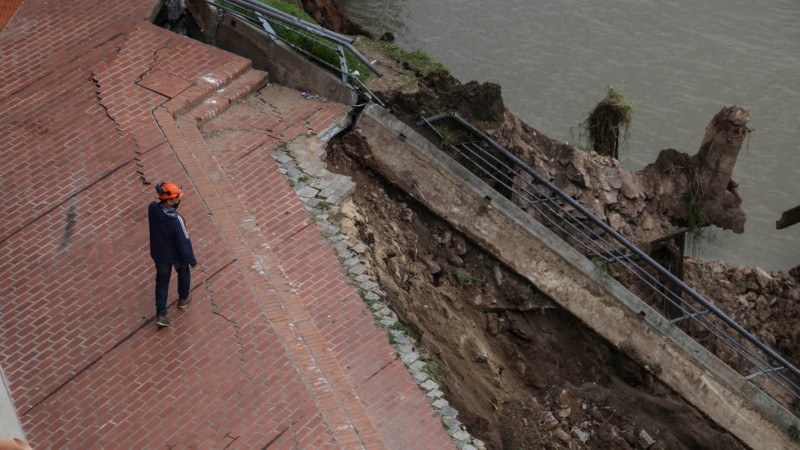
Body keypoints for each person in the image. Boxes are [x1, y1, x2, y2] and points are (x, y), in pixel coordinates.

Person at [148, 181, 197, 327]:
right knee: (183, 273)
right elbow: (184, 241)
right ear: (169, 201)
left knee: (162, 281)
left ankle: (161, 314)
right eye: (176, 198)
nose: (178, 201)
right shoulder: (176, 220)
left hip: (159, 254)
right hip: (176, 256)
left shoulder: (152, 209)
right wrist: (191, 259)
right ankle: (183, 299)